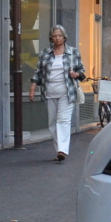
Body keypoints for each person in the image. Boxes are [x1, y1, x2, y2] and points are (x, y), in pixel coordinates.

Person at [28, 25, 86, 162]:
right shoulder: (45, 53)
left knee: (63, 121)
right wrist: (32, 89)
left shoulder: (73, 52)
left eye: (60, 35)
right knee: (53, 123)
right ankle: (59, 149)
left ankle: (62, 150)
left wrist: (76, 74)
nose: (57, 38)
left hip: (67, 92)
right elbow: (38, 72)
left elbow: (82, 71)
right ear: (51, 38)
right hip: (49, 91)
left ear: (64, 37)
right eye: (54, 36)